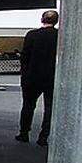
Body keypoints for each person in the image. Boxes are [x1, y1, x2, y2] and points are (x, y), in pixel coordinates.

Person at [18, 10, 59, 146]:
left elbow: (25, 57)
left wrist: (25, 74)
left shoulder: (32, 35)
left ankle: (24, 133)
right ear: (56, 21)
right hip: (52, 77)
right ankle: (43, 136)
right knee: (50, 108)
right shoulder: (59, 36)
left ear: (42, 19)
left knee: (28, 105)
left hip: (32, 77)